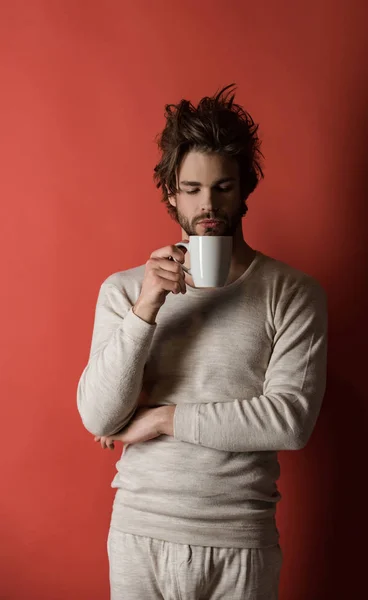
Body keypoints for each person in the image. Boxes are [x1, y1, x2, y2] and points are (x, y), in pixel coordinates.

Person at [77, 83, 328, 600]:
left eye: (222, 187)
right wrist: (146, 306)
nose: (207, 203)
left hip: (240, 541)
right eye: (191, 188)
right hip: (139, 534)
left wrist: (161, 417)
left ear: (245, 189)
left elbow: (289, 419)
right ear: (171, 192)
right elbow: (100, 417)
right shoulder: (124, 290)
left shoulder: (292, 292)